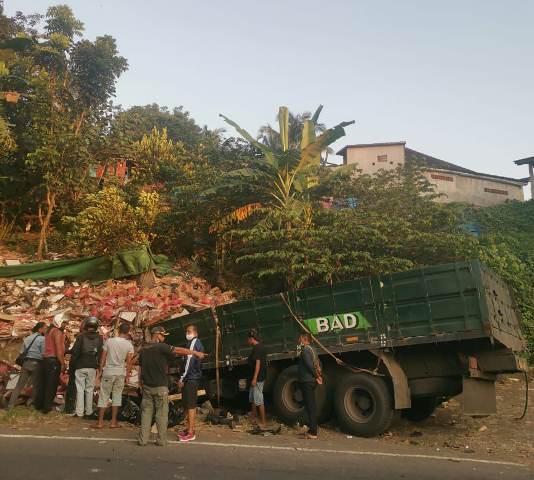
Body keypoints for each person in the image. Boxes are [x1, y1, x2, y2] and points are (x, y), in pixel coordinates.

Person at [138, 325, 205, 447]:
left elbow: (140, 368)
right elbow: (178, 350)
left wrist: (140, 382)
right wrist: (195, 352)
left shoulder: (144, 349)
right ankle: (161, 440)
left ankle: (143, 440)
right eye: (163, 335)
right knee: (161, 414)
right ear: (157, 335)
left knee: (146, 414)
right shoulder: (162, 347)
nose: (163, 338)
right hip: (160, 387)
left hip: (147, 387)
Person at [93, 322, 134, 428]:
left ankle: (100, 422)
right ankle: (113, 422)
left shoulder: (109, 341)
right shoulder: (129, 345)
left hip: (108, 372)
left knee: (103, 396)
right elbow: (129, 362)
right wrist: (127, 376)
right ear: (128, 332)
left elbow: (103, 358)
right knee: (117, 396)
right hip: (120, 373)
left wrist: (101, 370)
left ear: (118, 330)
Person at [7, 322, 47, 410]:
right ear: (40, 329)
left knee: (19, 385)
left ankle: (10, 405)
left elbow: (21, 352)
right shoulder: (42, 339)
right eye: (45, 328)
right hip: (37, 364)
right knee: (35, 385)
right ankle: (31, 405)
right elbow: (43, 353)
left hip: (26, 363)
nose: (46, 330)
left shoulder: (28, 338)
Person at [70, 317, 103, 418]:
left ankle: (79, 412)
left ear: (86, 325)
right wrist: (99, 366)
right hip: (92, 365)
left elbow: (75, 351)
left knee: (80, 389)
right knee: (89, 389)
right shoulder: (100, 338)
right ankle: (88, 412)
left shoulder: (81, 336)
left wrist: (72, 364)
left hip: (80, 365)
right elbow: (101, 353)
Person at [34, 314, 67, 414]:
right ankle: (47, 408)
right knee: (51, 385)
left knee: (43, 384)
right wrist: (63, 363)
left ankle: (39, 405)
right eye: (64, 322)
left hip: (45, 360)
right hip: (53, 360)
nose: (66, 325)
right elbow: (58, 350)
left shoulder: (49, 331)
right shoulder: (57, 332)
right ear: (59, 321)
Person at [177, 324, 204, 443]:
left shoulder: (194, 343)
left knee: (191, 406)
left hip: (191, 378)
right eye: (186, 332)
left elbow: (189, 362)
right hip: (192, 378)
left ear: (195, 333)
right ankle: (189, 428)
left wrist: (182, 378)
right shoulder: (192, 342)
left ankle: (191, 432)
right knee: (189, 405)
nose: (187, 334)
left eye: (189, 331)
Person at [297, 333, 322, 439]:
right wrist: (319, 375)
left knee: (310, 406)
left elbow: (309, 365)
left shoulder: (306, 350)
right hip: (311, 381)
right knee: (310, 405)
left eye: (300, 338)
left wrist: (317, 376)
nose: (298, 339)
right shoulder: (313, 349)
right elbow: (319, 363)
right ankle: (311, 429)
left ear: (304, 339)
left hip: (307, 381)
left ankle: (313, 433)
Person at [246, 329, 267, 429]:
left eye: (248, 339)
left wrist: (254, 378)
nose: (247, 342)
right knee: (253, 399)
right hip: (254, 378)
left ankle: (263, 422)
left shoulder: (258, 348)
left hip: (257, 379)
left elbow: (258, 364)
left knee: (259, 400)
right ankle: (254, 418)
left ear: (251, 339)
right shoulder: (257, 347)